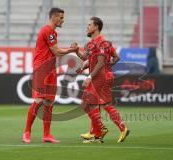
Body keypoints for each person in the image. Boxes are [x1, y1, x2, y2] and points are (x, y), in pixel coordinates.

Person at [22, 8, 78, 143]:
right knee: (39, 100)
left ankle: (46, 134)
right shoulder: (47, 31)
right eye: (61, 18)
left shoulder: (53, 32)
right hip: (41, 69)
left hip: (51, 69)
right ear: (53, 17)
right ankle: (26, 132)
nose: (63, 20)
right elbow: (57, 51)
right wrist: (72, 50)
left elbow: (55, 52)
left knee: (49, 102)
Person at [74, 17, 130, 143]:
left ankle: (101, 130)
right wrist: (76, 50)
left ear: (96, 27)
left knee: (93, 103)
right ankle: (97, 132)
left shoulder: (101, 42)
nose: (87, 27)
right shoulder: (96, 43)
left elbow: (100, 62)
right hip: (102, 75)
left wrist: (90, 75)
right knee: (95, 103)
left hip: (100, 77)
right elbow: (114, 58)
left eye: (89, 25)